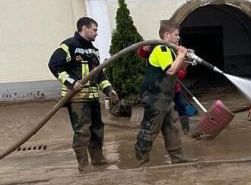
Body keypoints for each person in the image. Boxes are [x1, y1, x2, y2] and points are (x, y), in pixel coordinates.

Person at [48, 17, 118, 172]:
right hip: (77, 98)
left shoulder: (93, 50)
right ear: (84, 28)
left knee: (97, 128)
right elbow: (54, 65)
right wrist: (71, 83)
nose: (97, 33)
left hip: (93, 97)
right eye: (94, 29)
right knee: (82, 130)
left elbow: (99, 74)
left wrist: (108, 90)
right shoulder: (69, 46)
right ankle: (83, 164)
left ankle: (98, 158)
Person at [134, 21, 193, 165]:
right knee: (150, 129)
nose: (179, 37)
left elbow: (179, 72)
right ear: (166, 35)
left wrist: (185, 58)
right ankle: (141, 163)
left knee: (171, 128)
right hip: (154, 97)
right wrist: (181, 55)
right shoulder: (162, 49)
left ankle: (179, 159)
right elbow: (170, 70)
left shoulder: (171, 51)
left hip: (167, 97)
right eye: (176, 34)